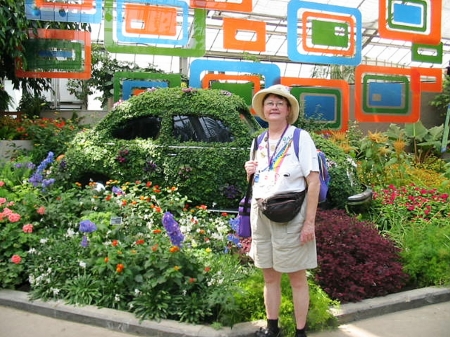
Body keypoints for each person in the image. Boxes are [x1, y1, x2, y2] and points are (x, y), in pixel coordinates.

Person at [244, 84, 320, 337]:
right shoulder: (258, 140)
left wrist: (309, 223)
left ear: (288, 110)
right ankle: (272, 329)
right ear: (263, 110)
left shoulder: (300, 138)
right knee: (269, 277)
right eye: (269, 103)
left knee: (297, 278)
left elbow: (313, 181)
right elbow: (260, 179)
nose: (274, 107)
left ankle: (300, 332)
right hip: (262, 213)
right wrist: (249, 173)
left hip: (291, 216)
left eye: (280, 103)